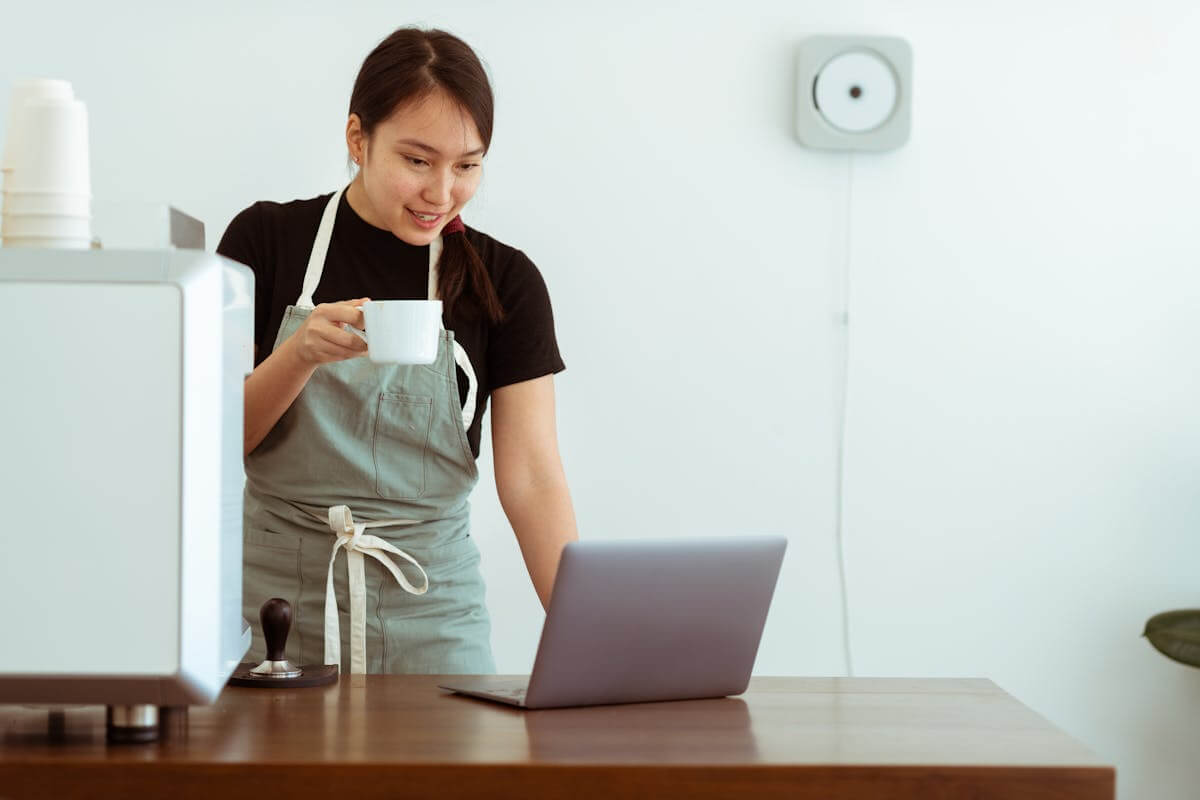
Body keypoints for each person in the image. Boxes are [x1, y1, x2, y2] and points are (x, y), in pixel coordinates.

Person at [217, 27, 578, 675]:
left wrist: (590, 639)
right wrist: (297, 356)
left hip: (433, 619)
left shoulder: (505, 281)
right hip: (274, 615)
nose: (442, 193)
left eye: (467, 165)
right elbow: (217, 442)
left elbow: (533, 478)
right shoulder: (266, 242)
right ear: (358, 139)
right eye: (417, 161)